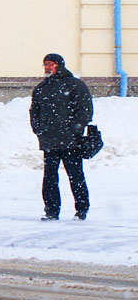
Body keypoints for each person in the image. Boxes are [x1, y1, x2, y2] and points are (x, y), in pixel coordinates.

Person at [29, 53, 92, 220]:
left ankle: (81, 209)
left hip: (71, 142)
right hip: (49, 141)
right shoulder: (42, 89)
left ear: (59, 65)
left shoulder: (74, 85)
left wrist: (74, 129)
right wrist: (38, 129)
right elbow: (34, 111)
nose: (48, 68)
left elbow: (85, 110)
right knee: (50, 178)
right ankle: (51, 211)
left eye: (51, 64)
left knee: (75, 176)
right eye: (45, 64)